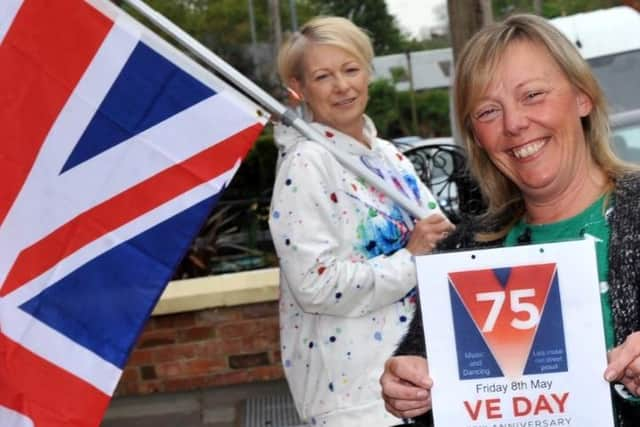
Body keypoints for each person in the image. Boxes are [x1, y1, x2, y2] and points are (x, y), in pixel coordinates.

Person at [379, 13, 640, 427]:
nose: (514, 124)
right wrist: (410, 390)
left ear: (582, 97)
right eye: (487, 111)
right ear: (475, 136)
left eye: (533, 94)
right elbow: (433, 392)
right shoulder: (461, 254)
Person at [268, 16, 454, 427]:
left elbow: (436, 237)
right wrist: (411, 258)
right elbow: (315, 285)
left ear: (368, 72)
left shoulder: (388, 156)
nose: (342, 86)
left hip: (418, 383)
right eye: (323, 76)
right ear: (299, 89)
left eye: (351, 69)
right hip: (357, 400)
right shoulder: (306, 164)